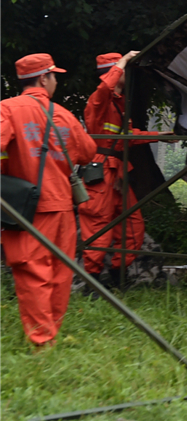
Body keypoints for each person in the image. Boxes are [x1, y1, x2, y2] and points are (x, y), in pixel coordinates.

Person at [1, 54, 97, 348]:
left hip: (26, 210)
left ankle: (43, 340)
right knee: (59, 272)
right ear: (44, 78)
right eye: (55, 76)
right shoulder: (64, 115)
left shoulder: (8, 109)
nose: (56, 81)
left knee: (33, 273)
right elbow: (87, 153)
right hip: (63, 208)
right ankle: (50, 333)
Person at [80, 52, 170, 288]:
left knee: (132, 225)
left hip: (118, 171)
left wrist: (158, 136)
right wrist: (123, 61)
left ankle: (118, 278)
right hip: (100, 172)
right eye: (123, 71)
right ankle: (93, 284)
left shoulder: (120, 104)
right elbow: (105, 89)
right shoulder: (98, 101)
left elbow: (128, 137)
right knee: (98, 226)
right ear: (113, 72)